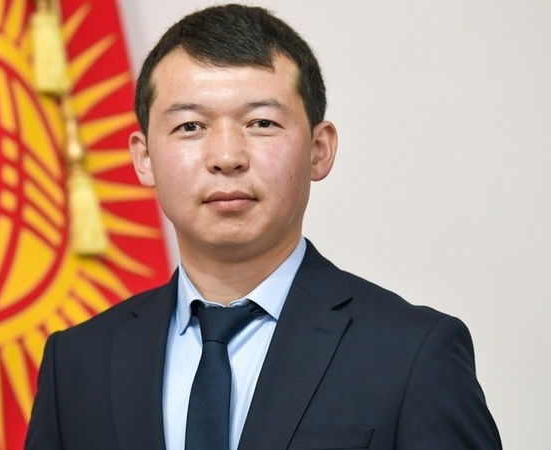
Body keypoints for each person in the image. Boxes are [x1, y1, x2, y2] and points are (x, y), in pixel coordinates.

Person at [25, 4, 501, 449]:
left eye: (261, 123)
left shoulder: (412, 352)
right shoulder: (77, 362)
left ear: (318, 149)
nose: (226, 157)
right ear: (144, 158)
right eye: (190, 126)